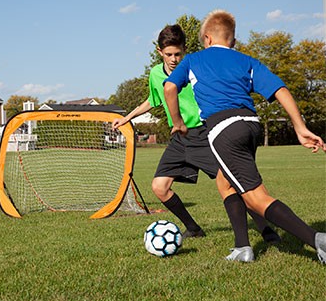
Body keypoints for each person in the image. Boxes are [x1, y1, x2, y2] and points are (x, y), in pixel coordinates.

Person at [164, 9, 326, 263]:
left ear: (206, 38)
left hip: (223, 129)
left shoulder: (193, 60)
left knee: (255, 196)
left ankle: (317, 240)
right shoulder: (246, 60)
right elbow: (280, 88)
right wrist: (299, 127)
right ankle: (243, 247)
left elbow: (170, 87)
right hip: (251, 125)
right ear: (233, 41)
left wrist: (178, 122)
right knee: (224, 181)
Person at [113, 24, 280, 246]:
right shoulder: (155, 74)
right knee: (159, 187)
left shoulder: (196, 67)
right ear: (160, 52)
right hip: (180, 138)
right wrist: (127, 118)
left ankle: (266, 229)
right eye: (169, 54)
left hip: (205, 135)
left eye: (178, 54)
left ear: (184, 50)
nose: (173, 59)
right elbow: (152, 101)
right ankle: (193, 228)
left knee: (235, 183)